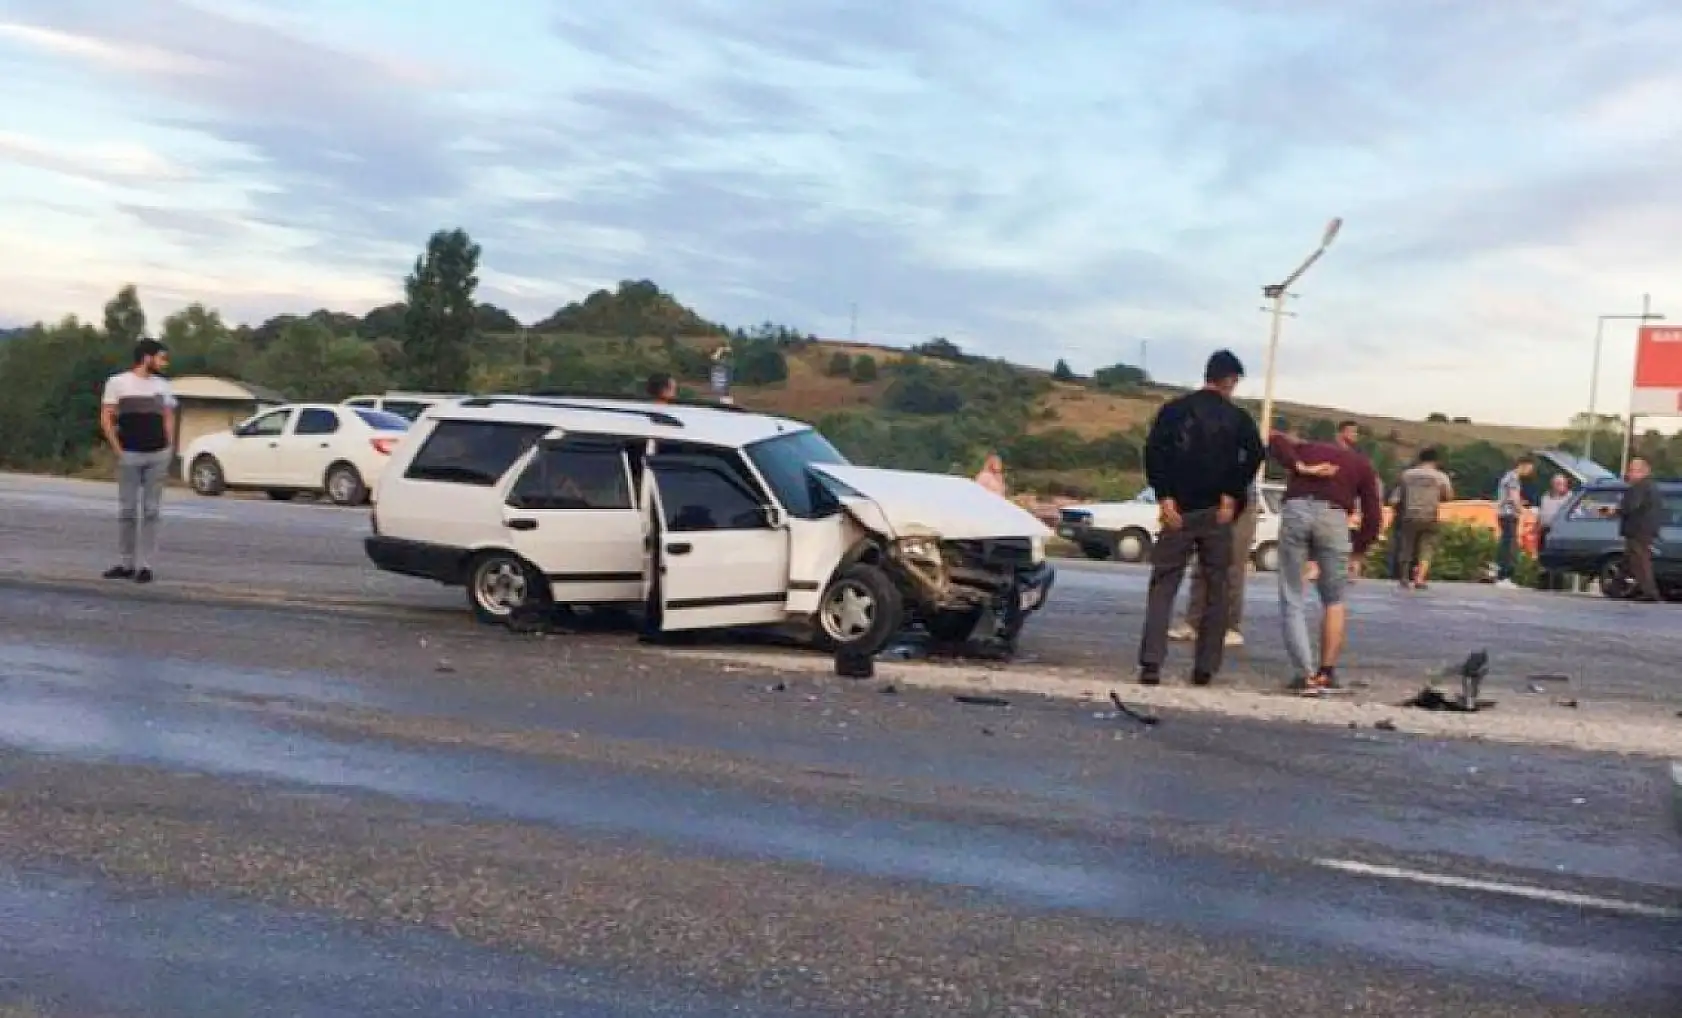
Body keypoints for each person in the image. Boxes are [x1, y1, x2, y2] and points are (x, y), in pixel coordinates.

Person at [1135, 350, 1264, 687]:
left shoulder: (1174, 411)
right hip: (1216, 514)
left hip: (1177, 510)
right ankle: (1204, 667)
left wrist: (1164, 496)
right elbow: (1255, 455)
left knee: (1164, 585)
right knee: (1216, 587)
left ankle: (1151, 663)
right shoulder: (1238, 419)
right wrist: (1231, 494)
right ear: (1231, 380)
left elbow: (1153, 452)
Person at [1267, 428, 1383, 691]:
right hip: (1334, 516)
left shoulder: (1306, 448)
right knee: (1334, 599)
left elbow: (1274, 440)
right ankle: (1325, 672)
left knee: (1292, 596)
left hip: (1296, 511)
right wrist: (1359, 550)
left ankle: (1305, 674)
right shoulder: (1362, 465)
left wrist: (1301, 467)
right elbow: (1374, 516)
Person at [99, 339, 177, 584]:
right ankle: (126, 563)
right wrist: (118, 448)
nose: (164, 363)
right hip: (130, 453)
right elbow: (107, 417)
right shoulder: (118, 382)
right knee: (128, 510)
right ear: (146, 357)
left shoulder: (163, 386)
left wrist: (169, 446)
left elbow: (168, 417)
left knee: (152, 510)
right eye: (160, 357)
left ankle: (146, 565)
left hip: (157, 454)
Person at [1393, 447, 1454, 589]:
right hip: (1430, 516)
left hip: (1409, 515)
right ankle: (1419, 579)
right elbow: (1448, 496)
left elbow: (1397, 497)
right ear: (1436, 461)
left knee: (1406, 546)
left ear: (1419, 459)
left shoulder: (1407, 475)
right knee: (1427, 548)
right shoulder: (1440, 477)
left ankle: (1404, 577)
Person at [1618, 457, 1665, 603]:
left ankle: (1650, 592)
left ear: (1641, 472)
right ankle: (1619, 587)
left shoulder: (1639, 487)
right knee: (1630, 560)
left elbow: (1631, 506)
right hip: (1646, 529)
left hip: (1638, 530)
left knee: (1640, 561)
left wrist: (1615, 510)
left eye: (1631, 470)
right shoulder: (1653, 487)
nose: (1628, 474)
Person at [1493, 455, 1535, 588]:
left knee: (1505, 542)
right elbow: (1513, 497)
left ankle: (1501, 574)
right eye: (1529, 468)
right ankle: (1505, 575)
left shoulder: (1508, 476)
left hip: (1503, 513)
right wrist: (1523, 510)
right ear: (1523, 465)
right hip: (1509, 514)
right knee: (1510, 545)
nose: (1529, 472)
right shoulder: (1513, 478)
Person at [1535, 473, 1573, 590]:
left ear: (1566, 485)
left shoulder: (1569, 498)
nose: (1558, 486)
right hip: (1545, 529)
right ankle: (1543, 583)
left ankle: (1557, 584)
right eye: (1556, 483)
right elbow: (1541, 512)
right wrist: (1537, 526)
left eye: (1561, 484)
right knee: (1543, 556)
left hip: (1559, 530)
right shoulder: (1546, 496)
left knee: (1557, 558)